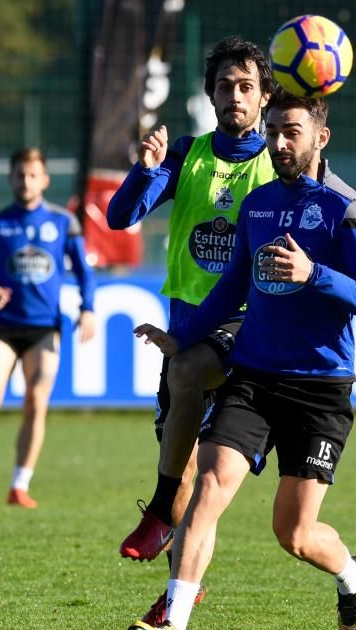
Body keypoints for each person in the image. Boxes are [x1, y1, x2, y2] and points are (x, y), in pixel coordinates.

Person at [125, 87, 356, 630]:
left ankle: (352, 576)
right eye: (275, 132)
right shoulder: (259, 203)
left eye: (293, 132)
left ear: (322, 136)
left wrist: (314, 272)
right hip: (255, 377)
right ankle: (174, 624)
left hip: (320, 388)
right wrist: (183, 338)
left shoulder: (350, 208)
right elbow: (232, 288)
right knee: (210, 489)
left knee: (293, 534)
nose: (280, 142)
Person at [106, 36, 276, 583]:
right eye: (225, 86)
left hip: (247, 330)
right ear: (211, 95)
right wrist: (148, 169)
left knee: (206, 471)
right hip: (187, 327)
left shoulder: (278, 163)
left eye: (246, 87)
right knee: (189, 476)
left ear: (264, 98)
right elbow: (118, 217)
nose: (235, 96)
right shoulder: (186, 154)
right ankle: (179, 594)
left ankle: (158, 516)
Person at [0, 147, 96, 510]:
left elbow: (84, 271)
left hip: (44, 329)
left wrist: (88, 309)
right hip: (2, 327)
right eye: (19, 174)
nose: (26, 181)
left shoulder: (64, 222)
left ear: (45, 179)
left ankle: (20, 484)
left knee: (36, 403)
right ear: (10, 178)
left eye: (32, 175)